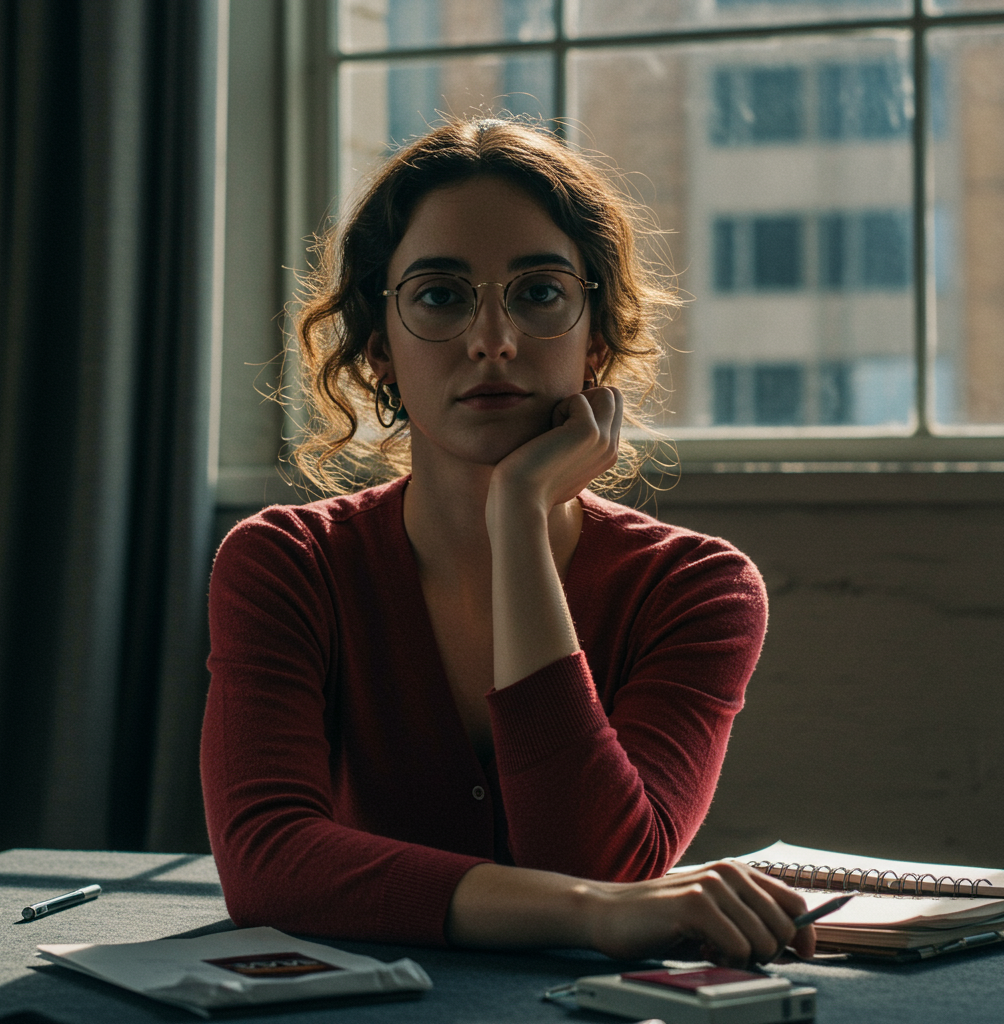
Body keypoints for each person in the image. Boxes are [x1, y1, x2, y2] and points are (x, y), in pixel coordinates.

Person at [200, 116, 815, 966]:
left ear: (594, 337)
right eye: (442, 296)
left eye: (538, 292)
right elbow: (267, 864)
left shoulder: (698, 588)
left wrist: (521, 514)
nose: (493, 339)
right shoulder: (287, 562)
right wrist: (590, 912)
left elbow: (598, 863)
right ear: (379, 350)